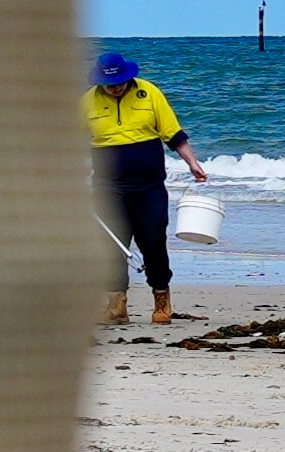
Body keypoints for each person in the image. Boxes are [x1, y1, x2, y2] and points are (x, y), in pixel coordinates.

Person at [85, 50, 207, 327]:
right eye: (110, 83)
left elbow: (173, 134)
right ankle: (117, 307)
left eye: (120, 82)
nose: (116, 88)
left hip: (148, 186)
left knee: (153, 242)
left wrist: (193, 163)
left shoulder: (149, 93)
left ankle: (161, 301)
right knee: (110, 246)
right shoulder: (86, 102)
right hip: (107, 187)